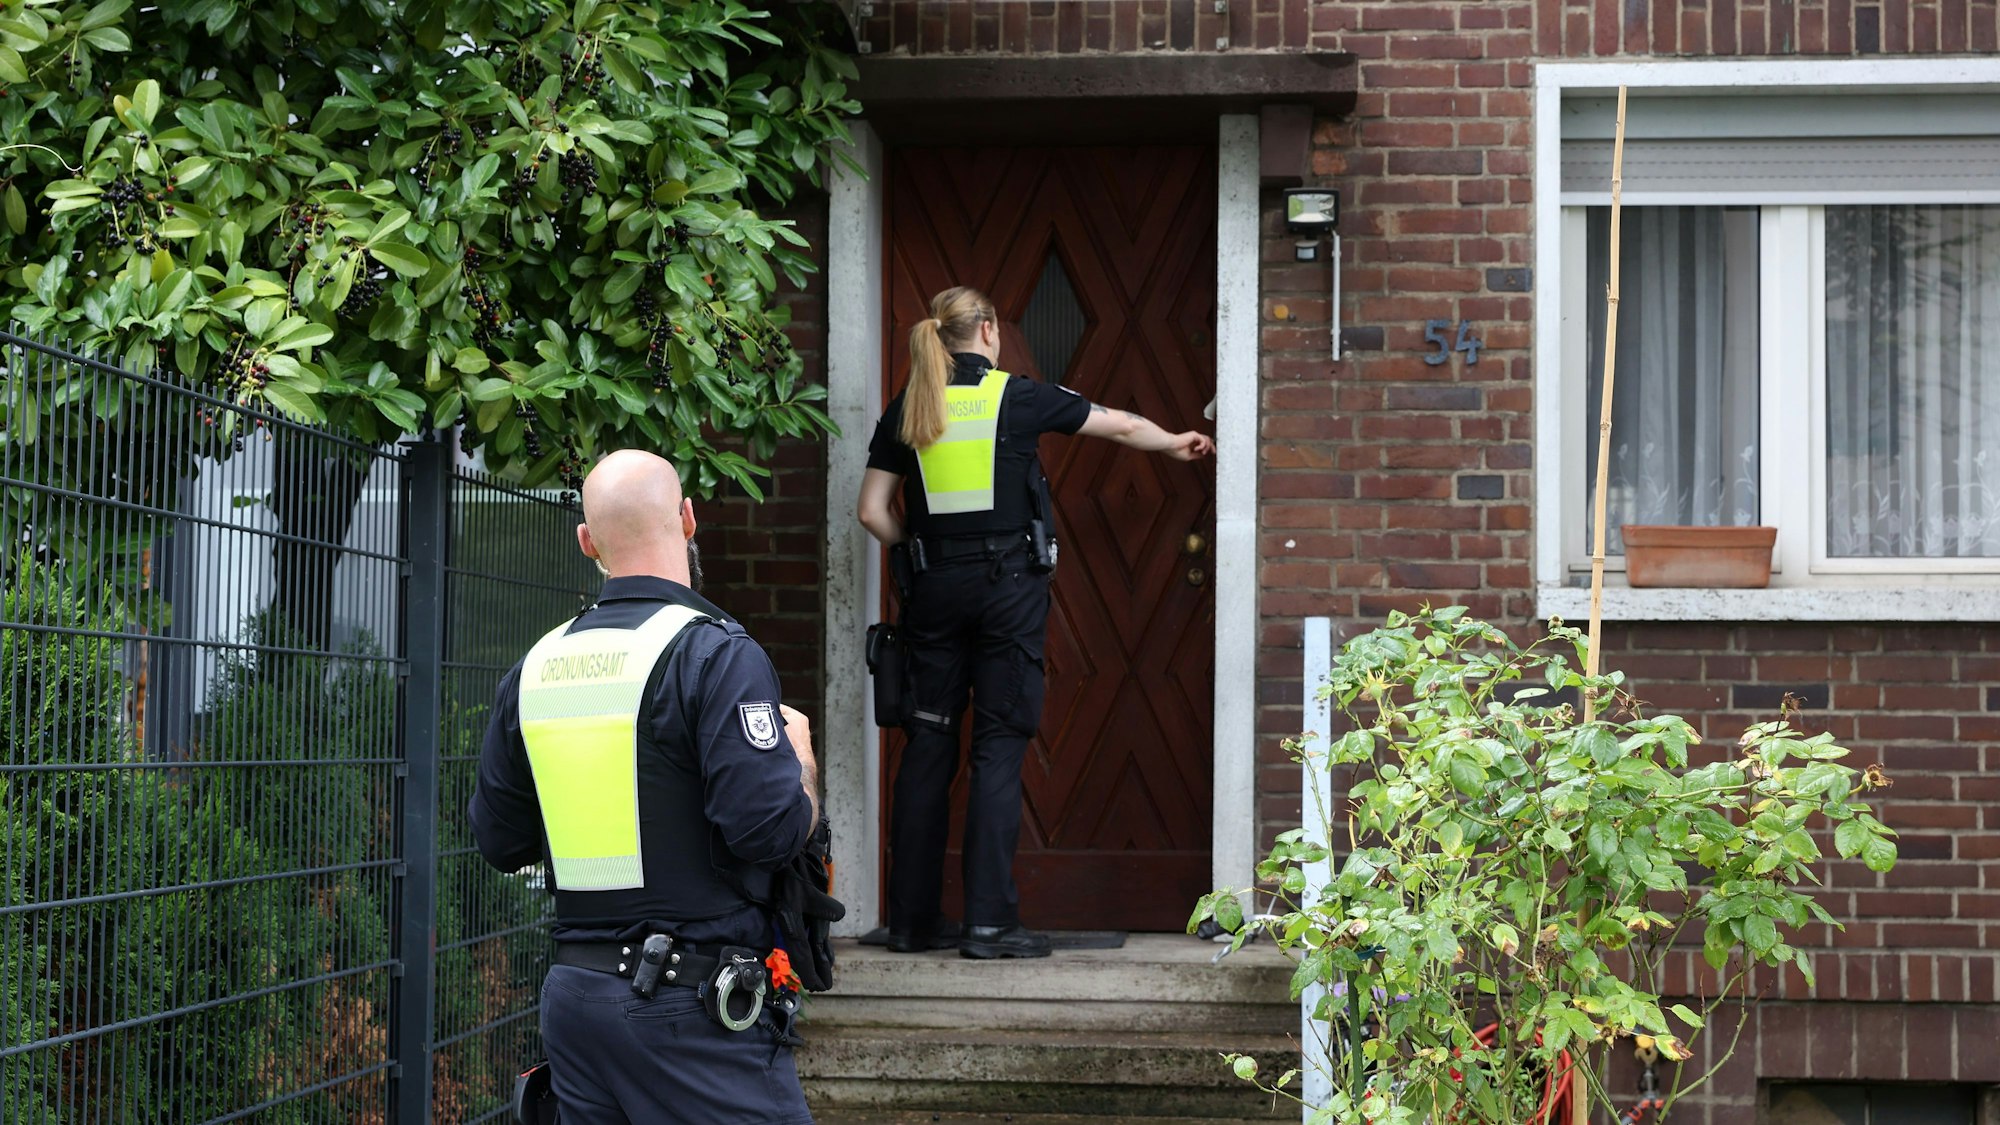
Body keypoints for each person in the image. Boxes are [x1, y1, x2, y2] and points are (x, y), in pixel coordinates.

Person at [856, 286, 1215, 960]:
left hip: (932, 594)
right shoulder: (1016, 396)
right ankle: (988, 923)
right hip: (1006, 594)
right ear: (988, 331)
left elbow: (873, 510)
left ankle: (910, 922)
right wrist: (1176, 443)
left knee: (928, 741)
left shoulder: (910, 405)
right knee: (997, 743)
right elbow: (1122, 425)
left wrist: (919, 550)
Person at [469, 449, 820, 1125]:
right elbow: (769, 829)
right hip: (687, 1012)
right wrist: (800, 762)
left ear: (587, 540)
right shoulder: (715, 652)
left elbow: (500, 839)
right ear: (689, 518)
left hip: (576, 1003)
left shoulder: (535, 667)